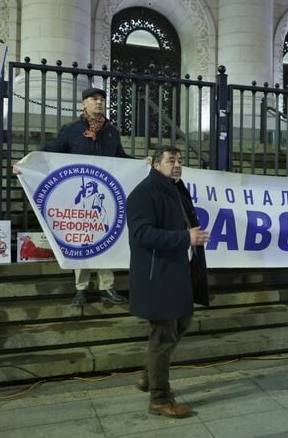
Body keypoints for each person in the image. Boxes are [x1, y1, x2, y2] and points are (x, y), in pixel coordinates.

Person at [126, 146, 210, 419]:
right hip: (157, 275)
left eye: (180, 160)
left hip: (176, 271)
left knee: (183, 320)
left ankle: (150, 374)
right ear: (155, 164)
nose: (177, 165)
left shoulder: (174, 188)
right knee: (163, 336)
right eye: (171, 160)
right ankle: (160, 399)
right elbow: (142, 234)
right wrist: (186, 238)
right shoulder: (144, 193)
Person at [42, 87, 131, 307]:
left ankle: (107, 286)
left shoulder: (111, 132)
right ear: (84, 104)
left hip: (105, 196)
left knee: (105, 237)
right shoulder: (71, 129)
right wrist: (28, 162)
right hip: (78, 195)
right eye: (94, 99)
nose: (99, 102)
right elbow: (52, 150)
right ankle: (81, 288)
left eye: (102, 99)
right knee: (81, 239)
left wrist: (143, 163)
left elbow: (121, 158)